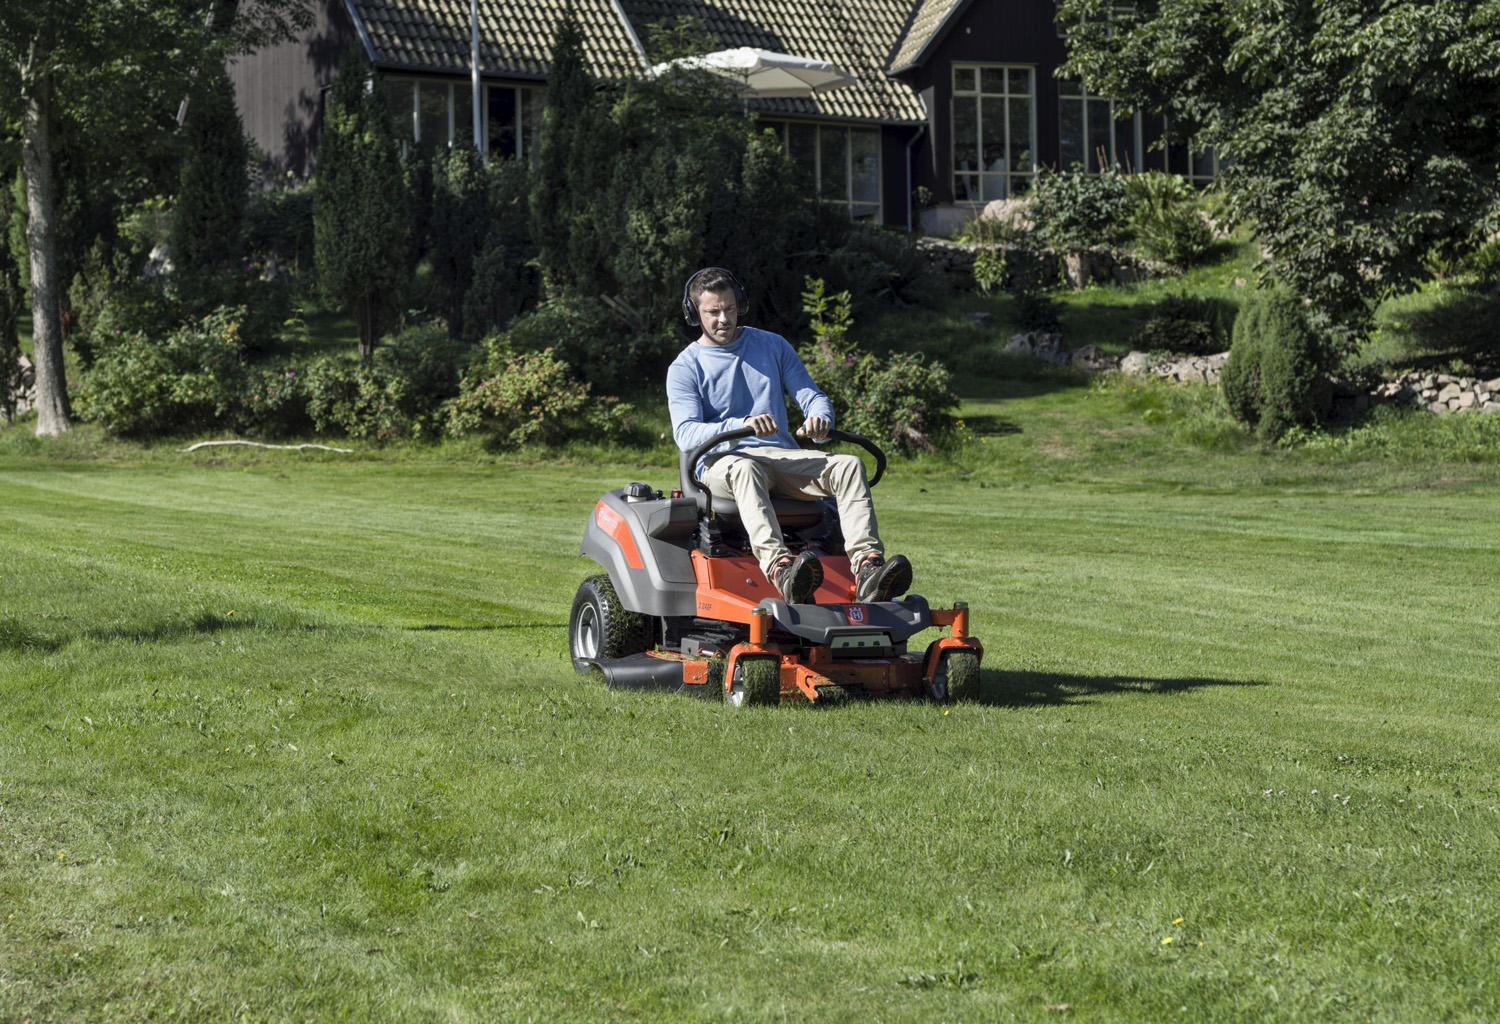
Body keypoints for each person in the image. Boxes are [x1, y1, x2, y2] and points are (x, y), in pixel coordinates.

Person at [666, 266, 913, 605]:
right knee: (747, 468)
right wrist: (742, 424)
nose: (724, 319)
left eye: (730, 309)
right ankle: (782, 570)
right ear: (694, 312)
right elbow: (686, 434)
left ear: (740, 305)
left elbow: (812, 396)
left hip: (780, 456)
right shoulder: (685, 367)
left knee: (849, 466)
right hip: (722, 464)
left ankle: (868, 569)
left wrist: (819, 418)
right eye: (713, 312)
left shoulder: (772, 345)